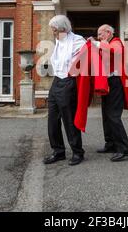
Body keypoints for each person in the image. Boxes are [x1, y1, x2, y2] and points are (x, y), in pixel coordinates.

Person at [44, 15, 86, 166]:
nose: (52, 32)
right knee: (52, 119)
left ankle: (77, 152)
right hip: (56, 81)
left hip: (68, 82)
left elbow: (85, 59)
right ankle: (58, 151)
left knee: (69, 119)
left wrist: (74, 72)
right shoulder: (58, 40)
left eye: (54, 29)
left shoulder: (77, 40)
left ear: (62, 28)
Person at [89, 24, 128, 162]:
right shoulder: (106, 43)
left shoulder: (116, 42)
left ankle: (124, 148)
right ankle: (111, 144)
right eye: (98, 35)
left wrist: (96, 43)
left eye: (100, 34)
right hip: (108, 83)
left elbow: (115, 51)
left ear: (108, 32)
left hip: (115, 82)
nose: (99, 37)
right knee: (106, 115)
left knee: (113, 116)